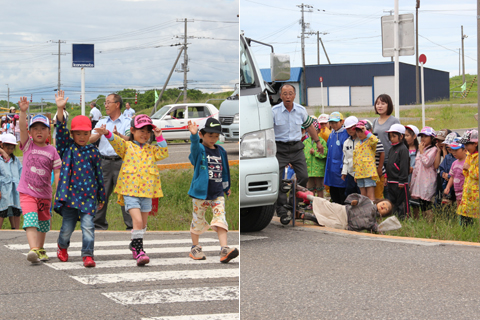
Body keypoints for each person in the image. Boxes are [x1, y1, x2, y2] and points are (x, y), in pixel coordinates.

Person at [94, 114, 168, 266]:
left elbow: (164, 152)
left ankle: (135, 243)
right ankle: (139, 251)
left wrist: (159, 137)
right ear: (132, 131)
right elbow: (117, 142)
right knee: (138, 221)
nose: (145, 134)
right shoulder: (127, 147)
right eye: (141, 130)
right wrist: (107, 133)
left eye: (148, 131)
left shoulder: (151, 149)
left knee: (143, 224)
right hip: (130, 191)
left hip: (147, 192)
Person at [53, 91, 106, 268]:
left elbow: (99, 174)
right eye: (78, 134)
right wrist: (60, 110)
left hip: (89, 197)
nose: (82, 137)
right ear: (72, 134)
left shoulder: (93, 151)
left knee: (89, 227)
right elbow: (60, 132)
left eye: (85, 133)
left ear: (90, 133)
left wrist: (101, 197)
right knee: (67, 228)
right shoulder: (66, 148)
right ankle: (62, 246)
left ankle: (88, 255)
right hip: (69, 196)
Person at [186, 118, 239, 263]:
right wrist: (194, 135)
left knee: (220, 219)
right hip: (200, 193)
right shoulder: (200, 150)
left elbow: (225, 171)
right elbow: (195, 146)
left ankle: (224, 249)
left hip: (217, 193)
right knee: (198, 220)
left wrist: (226, 187)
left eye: (216, 136)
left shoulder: (221, 151)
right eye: (210, 136)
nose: (213, 139)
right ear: (202, 135)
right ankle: (195, 248)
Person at [17, 97, 61, 263]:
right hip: (27, 192)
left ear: (49, 132)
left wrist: (59, 192)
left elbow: (57, 172)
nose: (39, 131)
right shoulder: (28, 145)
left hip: (45, 194)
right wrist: (22, 112)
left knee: (43, 223)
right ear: (30, 132)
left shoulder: (52, 151)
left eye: (43, 128)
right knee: (31, 219)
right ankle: (33, 248)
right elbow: (21, 129)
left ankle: (40, 249)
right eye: (35, 128)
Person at [272, 84, 322, 218]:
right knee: (278, 179)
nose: (288, 97)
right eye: (285, 94)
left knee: (304, 176)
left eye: (290, 93)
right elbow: (269, 130)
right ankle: (281, 209)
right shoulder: (274, 111)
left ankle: (293, 203)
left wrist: (318, 142)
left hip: (296, 148)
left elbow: (310, 127)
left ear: (294, 95)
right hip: (279, 148)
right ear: (280, 95)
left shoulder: (300, 110)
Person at [89, 93, 133, 230]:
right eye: (105, 103)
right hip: (104, 162)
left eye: (108, 102)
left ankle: (131, 225)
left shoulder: (127, 121)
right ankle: (98, 224)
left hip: (122, 162)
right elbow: (89, 139)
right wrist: (100, 133)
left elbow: (129, 139)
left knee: (126, 194)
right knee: (101, 193)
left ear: (117, 104)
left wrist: (117, 135)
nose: (106, 105)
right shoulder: (102, 122)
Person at [300, 191, 392, 233]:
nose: (383, 206)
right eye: (384, 203)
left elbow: (378, 230)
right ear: (380, 201)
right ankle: (306, 195)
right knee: (327, 205)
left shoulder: (373, 222)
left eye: (386, 209)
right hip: (344, 211)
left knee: (331, 224)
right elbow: (355, 197)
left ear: (384, 215)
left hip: (346, 224)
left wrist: (382, 230)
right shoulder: (367, 201)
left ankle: (311, 217)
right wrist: (354, 202)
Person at [372, 94, 400, 199]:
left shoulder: (394, 121)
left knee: (388, 186)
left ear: (389, 105)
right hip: (378, 159)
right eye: (378, 103)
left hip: (390, 159)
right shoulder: (375, 121)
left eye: (383, 103)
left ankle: (390, 209)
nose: (380, 106)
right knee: (379, 186)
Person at [410, 126, 438, 215]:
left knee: (426, 204)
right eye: (422, 136)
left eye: (426, 136)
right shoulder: (421, 149)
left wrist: (421, 151)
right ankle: (417, 223)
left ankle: (429, 224)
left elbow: (427, 162)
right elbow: (417, 166)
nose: (423, 139)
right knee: (415, 203)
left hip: (427, 181)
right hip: (418, 181)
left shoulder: (433, 149)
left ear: (432, 138)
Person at [385, 124, 411, 219]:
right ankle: (395, 218)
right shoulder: (392, 149)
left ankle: (405, 218)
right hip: (391, 181)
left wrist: (402, 180)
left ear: (401, 136)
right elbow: (389, 164)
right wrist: (386, 177)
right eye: (390, 136)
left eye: (394, 136)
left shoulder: (403, 149)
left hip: (399, 182)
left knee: (402, 202)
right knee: (393, 201)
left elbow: (404, 166)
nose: (391, 138)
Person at [324, 112, 349, 204]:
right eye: (331, 122)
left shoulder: (345, 134)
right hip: (331, 168)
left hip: (340, 167)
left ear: (342, 122)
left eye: (336, 122)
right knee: (333, 191)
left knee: (341, 191)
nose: (333, 125)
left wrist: (343, 167)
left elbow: (345, 152)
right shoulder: (332, 134)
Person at [456, 130, 479, 226]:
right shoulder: (469, 155)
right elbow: (466, 173)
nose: (465, 147)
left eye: (467, 144)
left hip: (476, 195)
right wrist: (467, 169)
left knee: (474, 219)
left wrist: (469, 168)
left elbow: (477, 174)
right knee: (465, 219)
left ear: (475, 143)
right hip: (468, 193)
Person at [352, 120, 378, 201]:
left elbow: (375, 140)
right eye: (357, 132)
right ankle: (364, 211)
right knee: (362, 196)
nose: (359, 134)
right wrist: (355, 173)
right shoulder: (357, 145)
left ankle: (372, 211)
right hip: (359, 173)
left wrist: (366, 131)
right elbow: (355, 160)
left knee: (370, 195)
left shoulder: (370, 142)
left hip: (369, 173)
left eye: (361, 131)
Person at [0, 134, 22, 230]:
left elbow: (21, 174)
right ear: (2, 146)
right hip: (4, 190)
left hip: (15, 190)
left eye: (12, 148)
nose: (9, 151)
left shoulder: (15, 160)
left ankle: (16, 230)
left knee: (16, 210)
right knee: (2, 210)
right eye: (7, 148)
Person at [303, 119, 328, 199]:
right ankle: (312, 203)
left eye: (314, 130)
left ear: (318, 131)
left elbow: (324, 154)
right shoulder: (305, 142)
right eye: (309, 130)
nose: (311, 132)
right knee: (310, 188)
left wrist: (315, 153)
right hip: (308, 170)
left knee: (320, 187)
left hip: (319, 170)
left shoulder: (322, 142)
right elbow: (302, 155)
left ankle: (320, 202)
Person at [341, 116, 360, 197]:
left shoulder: (362, 141)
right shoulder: (346, 142)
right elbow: (345, 159)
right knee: (350, 193)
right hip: (350, 173)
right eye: (348, 128)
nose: (350, 130)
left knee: (361, 194)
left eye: (352, 128)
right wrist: (344, 172)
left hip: (361, 173)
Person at [444, 138, 467, 206]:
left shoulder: (468, 162)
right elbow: (452, 177)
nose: (454, 152)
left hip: (466, 192)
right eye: (452, 150)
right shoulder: (454, 163)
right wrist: (448, 187)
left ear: (465, 150)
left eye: (456, 150)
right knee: (459, 208)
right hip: (457, 191)